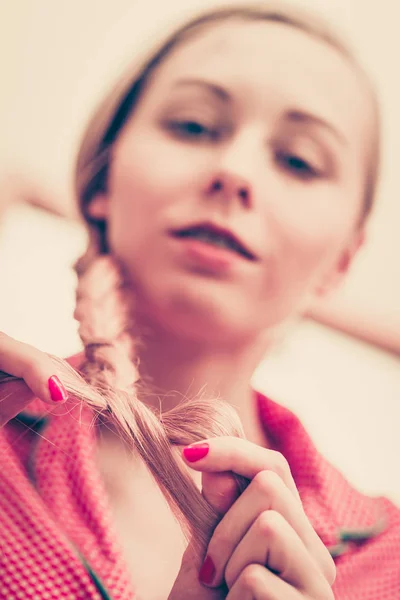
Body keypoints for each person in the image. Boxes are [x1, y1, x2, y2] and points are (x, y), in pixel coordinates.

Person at [1, 3, 399, 599]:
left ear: (340, 260)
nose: (235, 171)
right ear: (103, 179)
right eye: (193, 125)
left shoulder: (385, 566)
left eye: (298, 160)